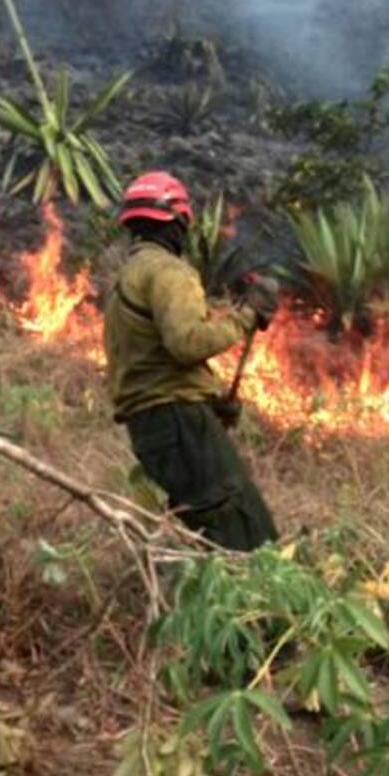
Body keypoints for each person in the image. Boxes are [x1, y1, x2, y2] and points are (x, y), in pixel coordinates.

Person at [103, 171, 279, 551]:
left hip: (150, 427)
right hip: (177, 421)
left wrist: (210, 402)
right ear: (176, 223)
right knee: (243, 527)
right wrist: (246, 316)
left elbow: (150, 362)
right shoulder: (168, 272)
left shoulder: (126, 280)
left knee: (202, 526)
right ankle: (259, 591)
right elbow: (186, 343)